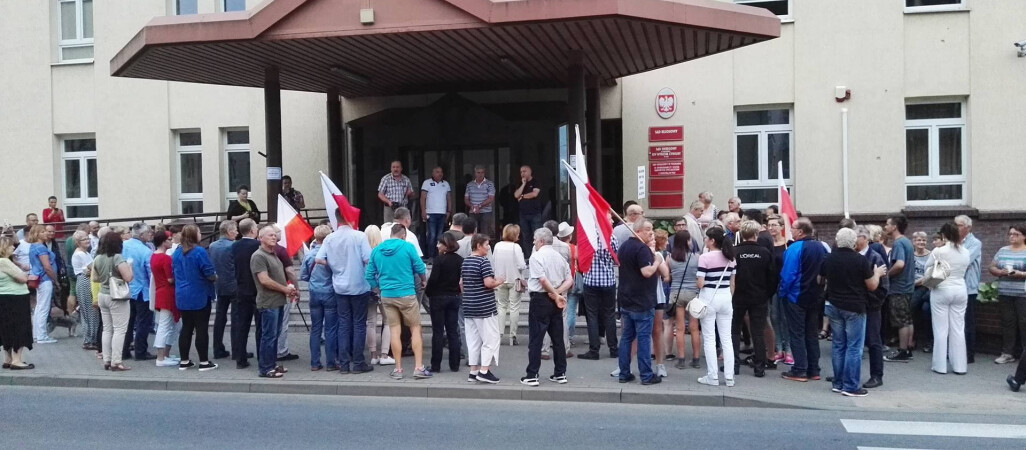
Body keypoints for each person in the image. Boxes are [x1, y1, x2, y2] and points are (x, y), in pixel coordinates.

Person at [822, 228, 885, 397]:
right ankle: (850, 386)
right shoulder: (859, 260)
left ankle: (838, 382)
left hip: (833, 305)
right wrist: (877, 273)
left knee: (838, 345)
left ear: (837, 240)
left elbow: (820, 280)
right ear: (854, 242)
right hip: (854, 307)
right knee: (853, 347)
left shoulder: (828, 258)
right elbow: (871, 285)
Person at [365, 223, 430, 380]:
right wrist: (423, 280)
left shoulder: (377, 250)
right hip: (406, 293)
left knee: (394, 330)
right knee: (415, 329)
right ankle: (418, 367)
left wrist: (378, 288)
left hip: (387, 295)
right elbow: (420, 268)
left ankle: (398, 369)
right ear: (403, 235)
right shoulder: (407, 247)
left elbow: (368, 275)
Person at [317, 211, 375, 375]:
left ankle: (343, 364)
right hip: (358, 285)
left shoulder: (329, 238)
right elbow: (368, 259)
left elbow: (318, 259)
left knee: (343, 324)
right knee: (358, 324)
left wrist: (334, 266)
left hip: (340, 286)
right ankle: (358, 362)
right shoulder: (359, 236)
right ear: (350, 217)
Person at [612, 218, 663, 385]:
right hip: (642, 300)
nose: (651, 232)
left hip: (626, 298)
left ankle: (624, 373)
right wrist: (656, 261)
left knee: (627, 337)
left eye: (652, 229)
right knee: (642, 339)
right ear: (638, 231)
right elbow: (647, 272)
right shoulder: (642, 249)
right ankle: (646, 375)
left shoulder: (625, 246)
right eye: (647, 229)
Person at [521, 227, 573, 387]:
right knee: (557, 338)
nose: (533, 242)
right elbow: (569, 279)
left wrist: (553, 293)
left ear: (541, 241)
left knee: (536, 338)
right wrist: (558, 293)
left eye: (535, 240)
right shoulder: (560, 257)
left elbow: (542, 280)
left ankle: (532, 374)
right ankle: (560, 373)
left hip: (541, 298)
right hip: (556, 299)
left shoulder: (537, 257)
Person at [778, 218, 827, 382]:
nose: (790, 230)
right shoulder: (821, 247)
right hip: (815, 296)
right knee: (811, 333)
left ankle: (799, 370)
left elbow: (788, 275)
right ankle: (814, 369)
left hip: (796, 296)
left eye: (792, 228)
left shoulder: (795, 248)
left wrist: (782, 293)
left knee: (797, 334)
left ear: (800, 231)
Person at [924, 222, 970, 375]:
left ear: (943, 235)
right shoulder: (966, 252)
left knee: (940, 329)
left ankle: (940, 365)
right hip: (960, 289)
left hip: (941, 289)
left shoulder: (939, 251)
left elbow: (927, 269)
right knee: (958, 329)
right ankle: (960, 366)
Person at [251, 225, 297, 378]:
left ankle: (272, 364)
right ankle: (265, 368)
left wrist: (289, 287)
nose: (274, 237)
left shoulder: (274, 254)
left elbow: (279, 275)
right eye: (269, 235)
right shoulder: (259, 256)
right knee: (268, 336)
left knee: (275, 335)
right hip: (268, 302)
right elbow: (264, 280)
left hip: (278, 300)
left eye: (274, 235)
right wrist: (284, 289)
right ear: (260, 238)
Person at [731, 221, 776, 378]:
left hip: (738, 296)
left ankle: (734, 365)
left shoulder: (735, 252)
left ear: (742, 235)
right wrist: (766, 294)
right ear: (756, 234)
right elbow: (772, 278)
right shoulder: (765, 253)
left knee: (735, 331)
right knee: (758, 331)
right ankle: (759, 367)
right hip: (759, 297)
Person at [171, 225, 217, 371]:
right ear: (193, 235)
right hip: (199, 294)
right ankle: (204, 361)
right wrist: (215, 277)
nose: (200, 233)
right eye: (198, 232)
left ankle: (184, 360)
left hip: (182, 295)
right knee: (201, 328)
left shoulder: (176, 253)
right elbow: (209, 273)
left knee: (186, 328)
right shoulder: (199, 251)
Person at [694, 227, 736, 386]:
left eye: (706, 238)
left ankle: (712, 376)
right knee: (727, 339)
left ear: (712, 241)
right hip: (725, 296)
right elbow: (733, 283)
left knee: (710, 338)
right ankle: (729, 377)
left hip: (709, 297)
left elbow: (700, 282)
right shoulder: (731, 257)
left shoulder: (705, 258)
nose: (705, 240)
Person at [462, 234, 504, 383]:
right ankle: (484, 370)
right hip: (485, 307)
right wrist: (499, 281)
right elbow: (488, 283)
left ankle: (473, 371)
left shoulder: (466, 261)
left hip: (468, 305)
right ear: (478, 246)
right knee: (491, 338)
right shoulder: (483, 262)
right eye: (486, 245)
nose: (488, 247)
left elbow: (461, 284)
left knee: (473, 340)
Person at [578, 217, 619, 361]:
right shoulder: (612, 238)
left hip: (590, 280)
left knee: (592, 316)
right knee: (609, 315)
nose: (613, 222)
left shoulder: (589, 237)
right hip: (608, 280)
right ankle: (613, 348)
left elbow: (581, 256)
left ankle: (594, 350)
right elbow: (615, 258)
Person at [92, 231, 134, 371]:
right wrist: (130, 267)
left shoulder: (98, 258)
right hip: (116, 296)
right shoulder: (117, 258)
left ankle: (107, 359)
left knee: (107, 329)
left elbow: (95, 278)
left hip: (102, 294)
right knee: (120, 329)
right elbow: (128, 277)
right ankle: (116, 361)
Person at [855, 226, 889, 389]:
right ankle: (848, 372)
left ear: (865, 238)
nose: (854, 240)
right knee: (851, 342)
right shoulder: (853, 256)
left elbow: (883, 287)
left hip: (871, 307)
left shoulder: (875, 258)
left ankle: (877, 375)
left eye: (856, 237)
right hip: (854, 306)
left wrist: (871, 302)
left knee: (873, 340)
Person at [426, 232, 463, 373]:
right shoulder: (460, 260)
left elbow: (433, 279)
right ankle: (455, 364)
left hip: (438, 297)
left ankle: (436, 365)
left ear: (445, 245)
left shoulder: (439, 260)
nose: (437, 245)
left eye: (439, 243)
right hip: (454, 296)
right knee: (453, 331)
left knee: (438, 331)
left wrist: (429, 292)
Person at [990, 223, 1026, 365]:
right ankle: (1007, 353)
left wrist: (1021, 274)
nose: (1012, 237)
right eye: (1010, 234)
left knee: (1024, 322)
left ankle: (1024, 355)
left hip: (1023, 293)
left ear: (1024, 236)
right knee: (1007, 322)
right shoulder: (1003, 250)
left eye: (1015, 234)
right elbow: (991, 267)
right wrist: (1000, 272)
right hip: (1005, 291)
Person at [302, 225, 337, 371]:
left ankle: (315, 363)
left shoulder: (309, 254)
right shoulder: (331, 255)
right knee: (330, 329)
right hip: (330, 292)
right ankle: (331, 362)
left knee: (315, 329)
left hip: (314, 293)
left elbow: (303, 276)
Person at [884, 215, 917, 363]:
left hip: (899, 287)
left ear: (894, 226)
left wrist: (886, 275)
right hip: (908, 286)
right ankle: (908, 348)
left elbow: (899, 264)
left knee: (900, 321)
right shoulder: (907, 242)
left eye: (887, 224)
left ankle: (903, 350)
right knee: (907, 319)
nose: (885, 227)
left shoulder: (898, 243)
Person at [666, 230, 701, 370]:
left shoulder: (670, 258)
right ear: (687, 241)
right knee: (694, 328)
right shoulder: (697, 257)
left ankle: (681, 359)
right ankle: (696, 359)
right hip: (693, 293)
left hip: (676, 293)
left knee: (679, 328)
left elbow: (667, 277)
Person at [121, 223, 154, 361]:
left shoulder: (122, 246)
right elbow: (150, 273)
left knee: (127, 322)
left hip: (125, 289)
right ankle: (140, 351)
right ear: (141, 235)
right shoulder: (146, 251)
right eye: (148, 233)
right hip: (142, 290)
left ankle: (124, 350)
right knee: (143, 322)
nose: (150, 235)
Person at [0, 236, 34, 370]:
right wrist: (25, 276)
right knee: (19, 328)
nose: (13, 248)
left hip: (3, 297)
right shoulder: (4, 262)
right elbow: (22, 277)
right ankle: (17, 359)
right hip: (16, 297)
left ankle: (7, 358)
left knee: (6, 328)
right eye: (10, 246)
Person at [362, 225, 394, 366]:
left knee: (371, 322)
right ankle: (384, 354)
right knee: (387, 321)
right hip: (384, 289)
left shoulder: (362, 252)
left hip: (368, 290)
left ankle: (373, 355)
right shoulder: (382, 251)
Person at [231, 219, 260, 369]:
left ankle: (240, 359)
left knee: (242, 326)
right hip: (257, 289)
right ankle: (263, 357)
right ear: (252, 230)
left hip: (241, 289)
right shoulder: (257, 245)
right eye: (256, 227)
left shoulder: (234, 246)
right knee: (260, 326)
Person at [953, 215, 982, 364]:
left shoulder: (974, 243)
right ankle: (956, 352)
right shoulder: (953, 242)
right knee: (956, 322)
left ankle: (969, 354)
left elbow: (964, 261)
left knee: (967, 321)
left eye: (958, 225)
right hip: (954, 286)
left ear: (967, 227)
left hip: (968, 287)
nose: (955, 228)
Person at [208, 220, 238, 360]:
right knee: (236, 319)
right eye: (235, 230)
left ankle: (217, 348)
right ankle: (237, 349)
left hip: (219, 285)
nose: (237, 232)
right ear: (229, 232)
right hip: (233, 285)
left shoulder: (212, 246)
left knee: (220, 318)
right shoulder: (233, 246)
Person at [766, 215, 794, 366]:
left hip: (784, 286)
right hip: (770, 285)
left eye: (775, 225)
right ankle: (778, 349)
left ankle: (788, 350)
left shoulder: (788, 245)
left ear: (782, 227)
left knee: (785, 318)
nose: (771, 228)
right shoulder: (766, 244)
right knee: (773, 317)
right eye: (769, 225)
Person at [493, 224, 526, 346]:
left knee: (501, 306)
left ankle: (500, 334)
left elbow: (494, 261)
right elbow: (522, 265)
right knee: (514, 307)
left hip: (500, 279)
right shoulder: (516, 247)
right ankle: (512, 335)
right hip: (515, 279)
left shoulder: (497, 245)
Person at [150, 231, 181, 367]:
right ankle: (161, 357)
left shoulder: (154, 256)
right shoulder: (165, 258)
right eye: (169, 239)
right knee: (165, 325)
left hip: (160, 291)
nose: (171, 241)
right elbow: (170, 279)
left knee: (168, 324)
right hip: (167, 293)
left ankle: (165, 355)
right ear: (163, 242)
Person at [26, 226, 58, 344]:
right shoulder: (41, 248)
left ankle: (36, 333)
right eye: (43, 232)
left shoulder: (33, 246)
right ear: (37, 234)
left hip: (38, 278)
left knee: (39, 307)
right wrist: (55, 279)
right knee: (44, 307)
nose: (46, 234)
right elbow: (47, 266)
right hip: (45, 278)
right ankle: (42, 335)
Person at [71, 230, 99, 350]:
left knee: (90, 311)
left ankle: (91, 338)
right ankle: (89, 339)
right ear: (77, 242)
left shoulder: (85, 253)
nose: (87, 240)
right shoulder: (80, 254)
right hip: (85, 282)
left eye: (88, 238)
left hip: (87, 280)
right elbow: (93, 268)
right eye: (84, 239)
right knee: (90, 311)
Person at [420, 166, 452, 259]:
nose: (440, 174)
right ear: (433, 173)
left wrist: (449, 211)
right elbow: (423, 198)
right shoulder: (427, 183)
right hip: (431, 213)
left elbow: (448, 198)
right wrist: (423, 211)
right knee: (432, 235)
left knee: (440, 236)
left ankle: (439, 256)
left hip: (442, 213)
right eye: (437, 172)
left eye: (441, 172)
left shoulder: (446, 184)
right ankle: (431, 256)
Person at [910, 231, 933, 353]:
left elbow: (931, 275)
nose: (921, 242)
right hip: (913, 287)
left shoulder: (932, 255)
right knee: (915, 309)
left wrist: (916, 282)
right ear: (913, 242)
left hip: (926, 286)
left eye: (924, 240)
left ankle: (929, 341)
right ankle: (912, 339)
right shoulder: (911, 255)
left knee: (924, 309)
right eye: (919, 240)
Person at [514, 165, 543, 257]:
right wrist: (523, 184)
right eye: (521, 172)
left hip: (535, 213)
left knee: (537, 235)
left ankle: (538, 255)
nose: (522, 173)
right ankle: (528, 256)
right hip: (523, 214)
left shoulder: (535, 182)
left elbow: (534, 194)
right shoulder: (520, 183)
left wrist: (522, 197)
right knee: (526, 236)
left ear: (530, 172)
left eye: (524, 171)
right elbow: (516, 195)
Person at [465, 165, 496, 239]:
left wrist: (479, 206)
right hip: (473, 212)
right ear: (475, 173)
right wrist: (473, 207)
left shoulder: (489, 184)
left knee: (485, 233)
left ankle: (485, 249)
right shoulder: (470, 185)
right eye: (478, 172)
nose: (480, 174)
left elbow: (491, 198)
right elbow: (466, 199)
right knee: (472, 232)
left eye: (482, 172)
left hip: (486, 212)